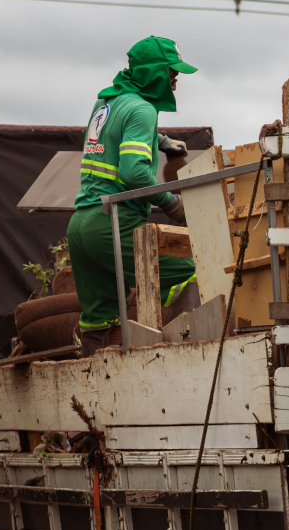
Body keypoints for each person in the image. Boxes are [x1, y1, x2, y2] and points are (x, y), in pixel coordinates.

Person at [67, 36, 199, 356]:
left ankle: (93, 387)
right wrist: (173, 205)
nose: (175, 86)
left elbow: (122, 129)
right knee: (196, 267)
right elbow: (133, 173)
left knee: (101, 318)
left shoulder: (108, 103)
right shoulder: (143, 109)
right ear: (156, 74)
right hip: (116, 222)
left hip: (82, 225)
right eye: (172, 77)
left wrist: (163, 141)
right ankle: (185, 350)